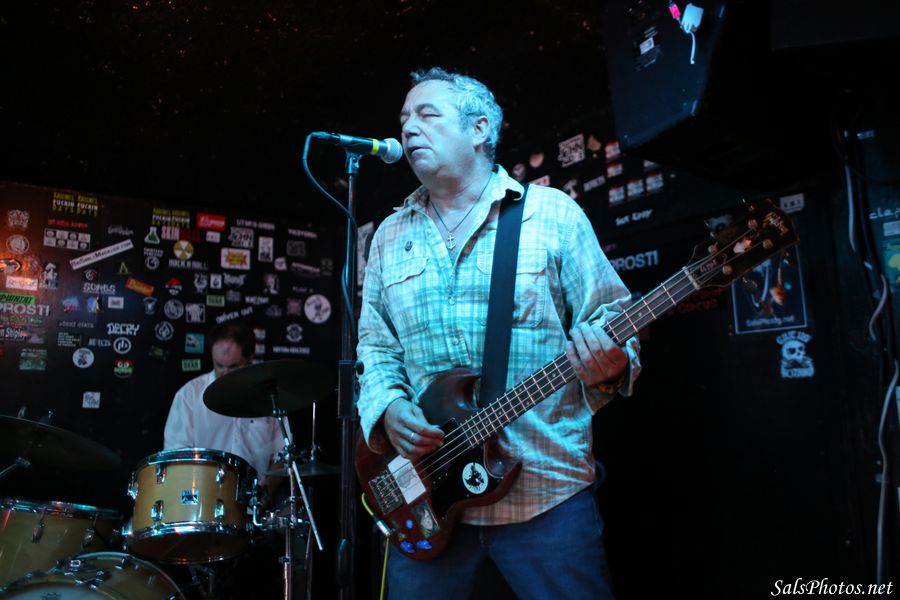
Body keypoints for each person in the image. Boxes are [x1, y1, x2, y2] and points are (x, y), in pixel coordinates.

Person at [356, 67, 642, 599]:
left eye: (427, 114)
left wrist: (613, 362)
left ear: (480, 129)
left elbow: (611, 320)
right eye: (404, 118)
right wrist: (388, 407)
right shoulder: (390, 236)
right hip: (427, 501)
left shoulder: (551, 214)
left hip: (546, 495)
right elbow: (376, 345)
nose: (409, 128)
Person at [163, 320, 286, 500]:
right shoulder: (189, 395)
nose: (225, 373)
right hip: (203, 503)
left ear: (250, 359)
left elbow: (282, 454)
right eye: (219, 366)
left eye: (233, 366)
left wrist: (265, 493)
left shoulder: (270, 396)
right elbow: (176, 455)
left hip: (255, 504)